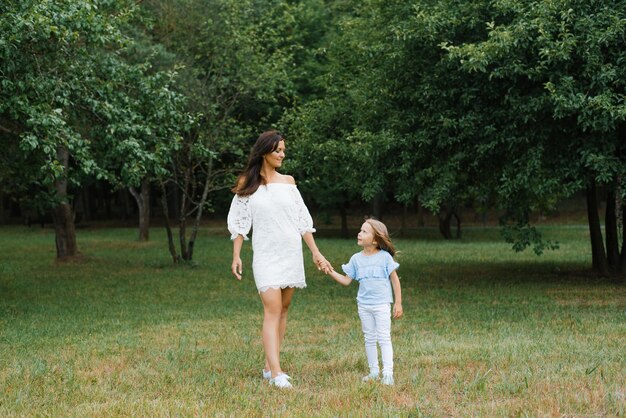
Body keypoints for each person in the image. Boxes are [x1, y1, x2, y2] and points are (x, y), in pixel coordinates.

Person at [227, 130, 331, 389]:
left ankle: (268, 366)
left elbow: (302, 221)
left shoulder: (289, 182)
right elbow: (240, 224)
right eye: (278, 151)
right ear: (265, 152)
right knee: (272, 309)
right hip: (265, 254)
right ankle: (276, 373)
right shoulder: (246, 184)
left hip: (290, 252)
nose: (283, 155)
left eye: (284, 150)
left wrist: (315, 252)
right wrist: (236, 255)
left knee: (283, 309)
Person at [325, 219, 403, 386]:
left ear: (375, 240)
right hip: (364, 306)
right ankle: (374, 371)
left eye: (364, 231)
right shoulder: (355, 259)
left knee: (383, 337)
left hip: (382, 304)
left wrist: (398, 303)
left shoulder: (385, 258)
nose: (359, 233)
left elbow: (395, 281)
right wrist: (330, 271)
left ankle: (388, 373)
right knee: (369, 338)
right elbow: (346, 281)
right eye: (360, 230)